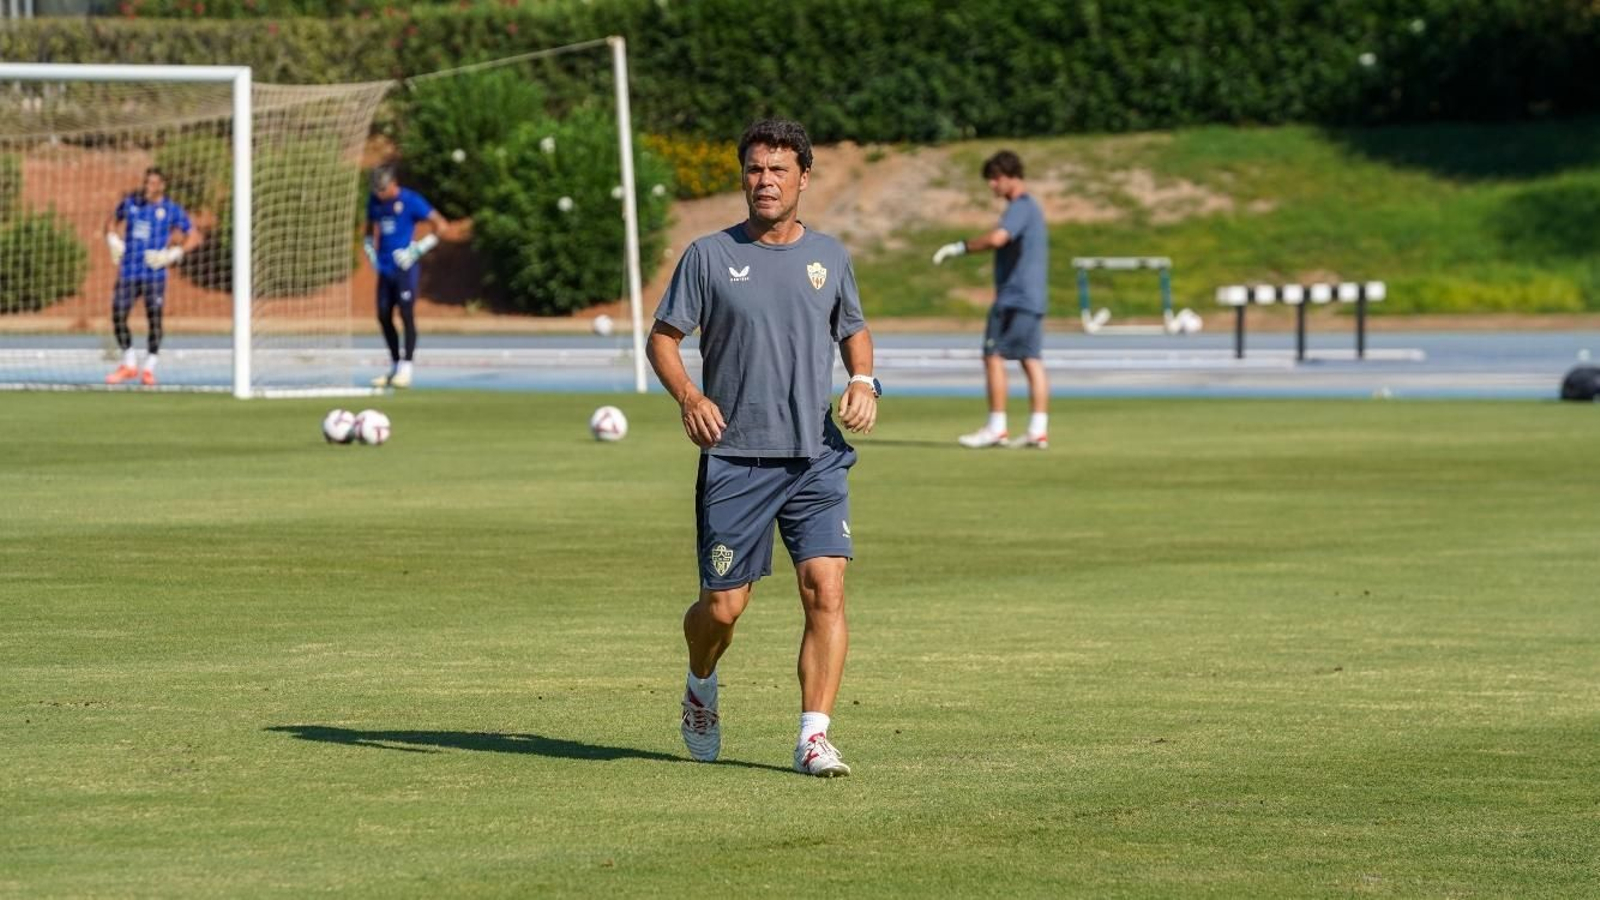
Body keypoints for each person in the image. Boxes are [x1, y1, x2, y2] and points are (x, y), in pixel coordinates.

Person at [647, 118, 880, 777]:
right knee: (722, 608)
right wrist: (691, 397)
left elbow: (854, 331)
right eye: (755, 169)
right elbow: (662, 340)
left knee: (825, 589)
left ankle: (813, 736)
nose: (765, 181)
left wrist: (863, 381)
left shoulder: (830, 258)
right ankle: (700, 682)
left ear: (804, 178)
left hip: (817, 456)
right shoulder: (709, 256)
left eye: (779, 170)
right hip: (736, 457)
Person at [931, 150, 1050, 449]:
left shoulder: (1020, 206)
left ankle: (997, 426)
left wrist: (961, 247)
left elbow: (999, 238)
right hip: (1032, 297)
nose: (992, 186)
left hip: (1015, 297)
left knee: (993, 356)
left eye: (995, 179)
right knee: (1031, 360)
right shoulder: (1030, 207)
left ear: (1009, 176)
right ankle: (1038, 429)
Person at [102, 167, 202, 387]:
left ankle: (149, 368)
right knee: (118, 315)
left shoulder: (171, 210)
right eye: (146, 183)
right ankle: (129, 363)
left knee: (154, 318)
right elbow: (111, 222)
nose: (148, 187)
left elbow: (194, 237)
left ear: (162, 186)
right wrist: (112, 238)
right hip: (128, 271)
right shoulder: (131, 203)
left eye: (153, 184)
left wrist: (173, 253)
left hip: (154, 274)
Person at [365, 166, 452, 389]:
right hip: (384, 268)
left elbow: (441, 225)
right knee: (383, 315)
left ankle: (407, 367)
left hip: (405, 266)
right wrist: (369, 249)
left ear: (394, 183)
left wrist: (417, 249)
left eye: (383, 189)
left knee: (406, 313)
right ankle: (394, 366)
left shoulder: (411, 200)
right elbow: (369, 228)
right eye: (376, 190)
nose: (380, 194)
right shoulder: (374, 202)